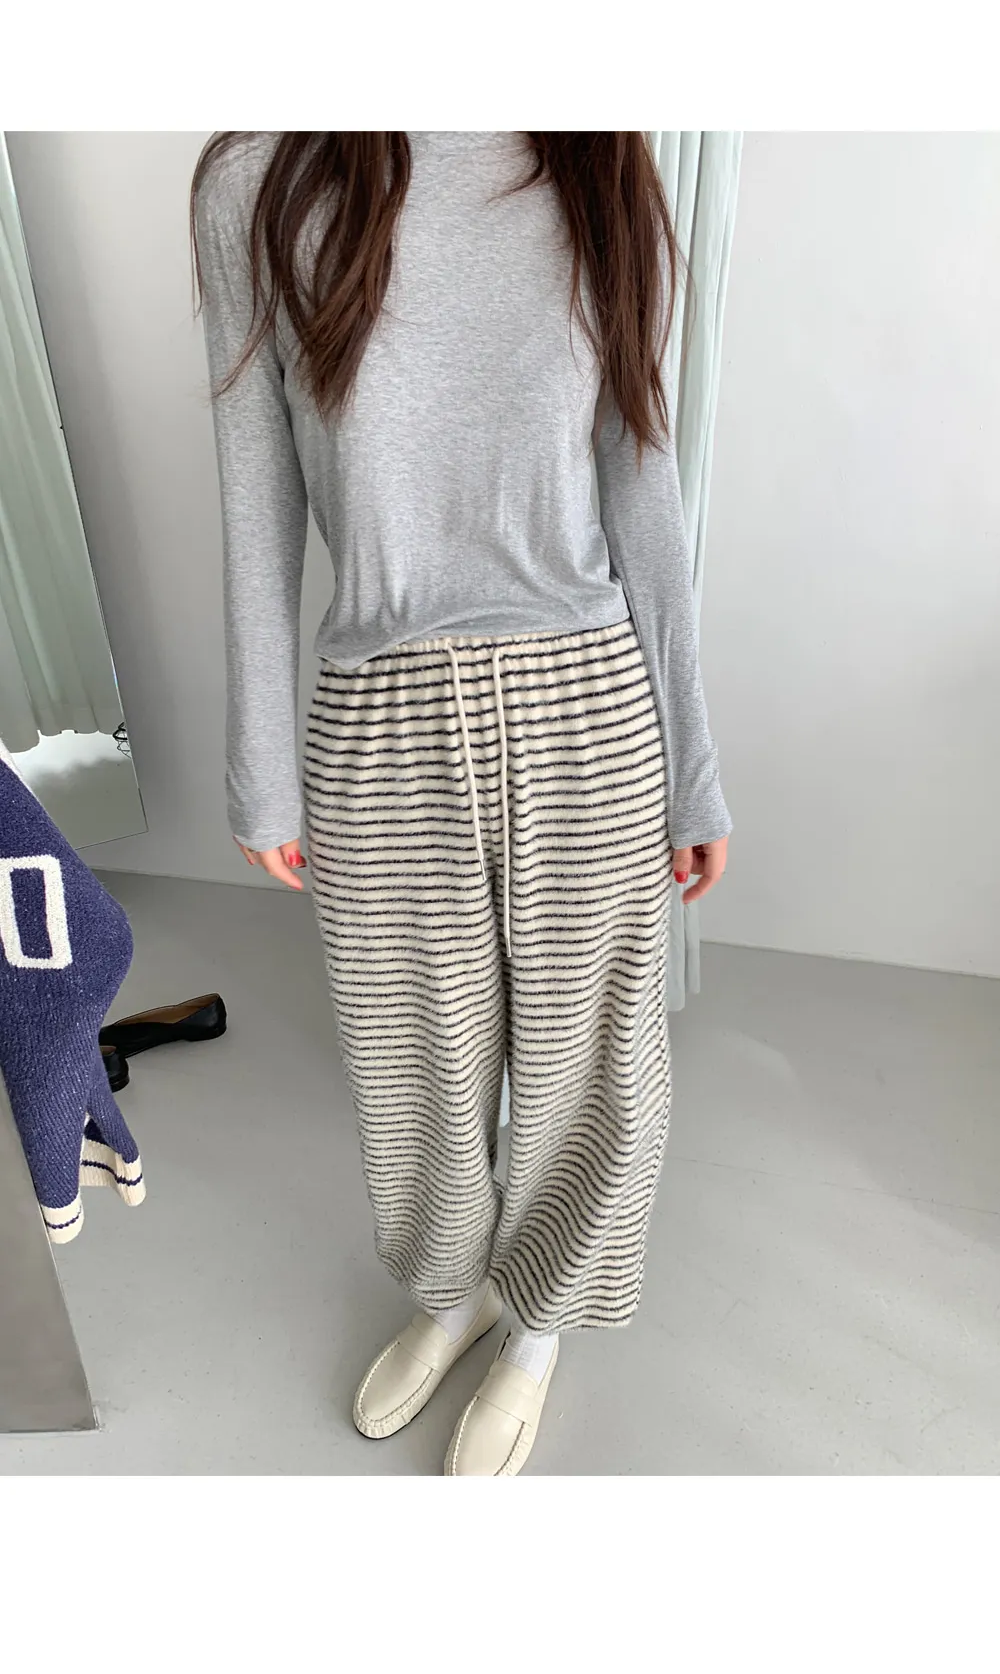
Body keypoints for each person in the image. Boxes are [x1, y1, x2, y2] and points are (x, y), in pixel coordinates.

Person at [192, 128, 730, 1479]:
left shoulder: (599, 162)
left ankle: (536, 1326)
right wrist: (261, 758)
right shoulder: (260, 180)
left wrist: (693, 760)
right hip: (379, 712)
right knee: (413, 1063)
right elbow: (255, 486)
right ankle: (453, 1294)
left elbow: (639, 474)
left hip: (587, 700)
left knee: (590, 1066)